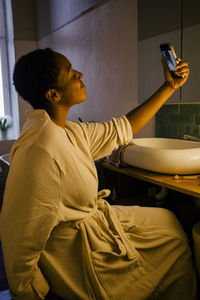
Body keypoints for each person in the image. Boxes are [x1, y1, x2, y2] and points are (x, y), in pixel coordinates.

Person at [0, 48, 197, 300]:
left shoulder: (66, 130)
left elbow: (121, 128)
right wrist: (31, 291)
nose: (81, 74)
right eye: (72, 74)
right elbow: (18, 236)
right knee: (176, 247)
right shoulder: (40, 150)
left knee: (167, 219)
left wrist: (168, 87)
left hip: (96, 223)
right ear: (53, 94)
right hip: (82, 259)